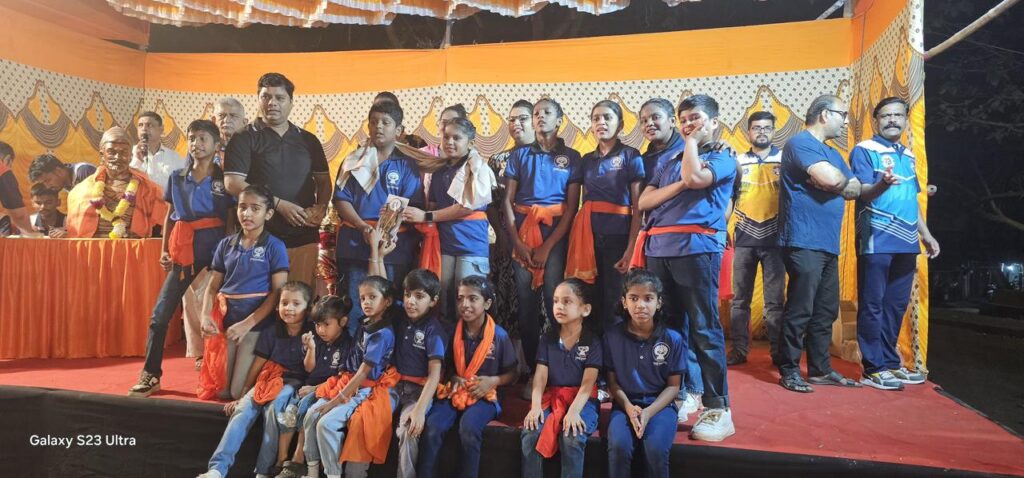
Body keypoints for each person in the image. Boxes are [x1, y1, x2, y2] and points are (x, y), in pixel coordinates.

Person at [635, 94, 736, 441]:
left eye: (696, 118)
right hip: (659, 248)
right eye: (685, 120)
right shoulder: (668, 161)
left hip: (697, 248)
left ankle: (718, 407)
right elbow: (645, 201)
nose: (688, 124)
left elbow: (695, 178)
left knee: (705, 329)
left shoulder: (722, 156)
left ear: (714, 122)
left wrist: (690, 143)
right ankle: (679, 395)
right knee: (670, 329)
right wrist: (679, 181)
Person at [129, 120, 233, 397]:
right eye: (192, 138)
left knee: (222, 312)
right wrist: (165, 249)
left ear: (216, 145)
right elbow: (170, 215)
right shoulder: (177, 177)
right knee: (160, 315)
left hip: (218, 247)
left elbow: (231, 219)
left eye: (203, 138)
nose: (196, 144)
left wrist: (230, 254)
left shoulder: (225, 179)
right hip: (184, 247)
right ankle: (151, 374)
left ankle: (224, 373)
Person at [776, 94, 863, 393]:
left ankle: (820, 369)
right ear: (825, 115)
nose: (845, 122)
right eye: (842, 115)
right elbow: (833, 180)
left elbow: (853, 188)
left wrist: (835, 181)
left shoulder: (832, 153)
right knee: (800, 308)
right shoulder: (800, 143)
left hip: (827, 243)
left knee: (825, 310)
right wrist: (834, 181)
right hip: (802, 238)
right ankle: (789, 369)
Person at [852, 96, 939, 390]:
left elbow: (911, 199)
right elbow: (862, 192)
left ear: (904, 120)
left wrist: (926, 234)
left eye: (898, 115)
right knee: (872, 304)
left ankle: (890, 362)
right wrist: (882, 184)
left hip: (907, 240)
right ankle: (872, 368)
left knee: (895, 306)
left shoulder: (908, 155)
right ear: (876, 120)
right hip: (876, 237)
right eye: (886, 115)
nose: (892, 120)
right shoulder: (865, 150)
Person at [196, 281, 314, 478]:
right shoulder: (271, 331)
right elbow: (258, 365)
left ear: (308, 308)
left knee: (273, 409)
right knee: (243, 410)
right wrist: (243, 395)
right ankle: (217, 469)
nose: (289, 308)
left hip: (293, 383)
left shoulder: (312, 332)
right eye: (284, 303)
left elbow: (311, 369)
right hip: (268, 379)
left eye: (296, 304)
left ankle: (263, 470)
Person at [502, 98, 582, 387]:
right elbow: (508, 201)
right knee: (526, 304)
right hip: (523, 233)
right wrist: (518, 243)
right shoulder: (519, 155)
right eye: (536, 113)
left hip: (556, 235)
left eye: (547, 113)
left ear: (559, 120)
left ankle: (560, 367)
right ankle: (534, 369)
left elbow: (571, 208)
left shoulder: (572, 156)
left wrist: (548, 247)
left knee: (555, 301)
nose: (540, 117)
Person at [225, 73, 331, 289]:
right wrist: (278, 204)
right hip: (261, 236)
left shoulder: (308, 140)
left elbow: (324, 181)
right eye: (266, 97)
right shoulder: (244, 137)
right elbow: (233, 183)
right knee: (260, 299)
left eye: (279, 98)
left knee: (300, 300)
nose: (272, 103)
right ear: (258, 100)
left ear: (291, 102)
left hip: (303, 236)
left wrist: (321, 207)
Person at [334, 100, 424, 334]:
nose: (379, 127)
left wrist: (385, 232)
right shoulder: (353, 160)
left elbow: (412, 204)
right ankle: (354, 353)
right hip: (354, 243)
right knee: (355, 307)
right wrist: (363, 227)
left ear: (399, 130)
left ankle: (386, 355)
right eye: (373, 122)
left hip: (393, 248)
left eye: (386, 122)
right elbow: (341, 200)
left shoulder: (407, 165)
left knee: (389, 306)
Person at [418, 276, 518, 478]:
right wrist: (454, 377)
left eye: (473, 299)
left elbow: (513, 373)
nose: (465, 304)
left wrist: (493, 381)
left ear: (487, 303)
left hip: (485, 395)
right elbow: (444, 368)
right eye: (460, 298)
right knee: (434, 426)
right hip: (455, 391)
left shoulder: (499, 336)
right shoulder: (450, 332)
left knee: (469, 428)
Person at [197, 184, 290, 401]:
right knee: (221, 391)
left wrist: (247, 324)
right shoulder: (225, 245)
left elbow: (278, 293)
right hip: (227, 324)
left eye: (255, 209)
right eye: (242, 207)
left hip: (256, 326)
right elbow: (212, 287)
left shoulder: (275, 246)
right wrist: (205, 316)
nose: (247, 214)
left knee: (238, 392)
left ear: (268, 214)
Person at [306, 275, 398, 478]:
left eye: (372, 297)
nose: (366, 302)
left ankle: (333, 474)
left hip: (364, 387)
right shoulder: (364, 323)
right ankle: (312, 472)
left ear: (387, 301)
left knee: (326, 424)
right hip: (348, 381)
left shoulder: (381, 334)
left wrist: (336, 400)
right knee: (311, 415)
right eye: (363, 298)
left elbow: (364, 372)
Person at [565, 100, 644, 335]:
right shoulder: (586, 160)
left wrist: (630, 249)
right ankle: (592, 354)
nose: (601, 122)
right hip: (587, 238)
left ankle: (615, 355)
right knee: (589, 299)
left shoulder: (630, 155)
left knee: (614, 301)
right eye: (596, 118)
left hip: (619, 238)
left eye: (607, 117)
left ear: (620, 125)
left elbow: (638, 208)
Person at [404, 117, 495, 318]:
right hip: (444, 243)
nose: (450, 142)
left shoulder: (478, 168)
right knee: (443, 300)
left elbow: (466, 207)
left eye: (457, 138)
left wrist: (426, 216)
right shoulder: (439, 170)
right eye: (446, 137)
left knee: (468, 301)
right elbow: (433, 204)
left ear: (470, 142)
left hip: (471, 243)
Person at [603, 270, 684, 478]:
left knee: (655, 449)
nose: (640, 305)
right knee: (619, 447)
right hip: (624, 405)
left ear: (659, 302)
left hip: (661, 407)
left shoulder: (672, 338)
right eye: (633, 298)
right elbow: (612, 383)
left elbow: (674, 386)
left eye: (648, 298)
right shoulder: (611, 336)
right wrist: (629, 407)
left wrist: (648, 412)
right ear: (624, 302)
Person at [521, 279, 601, 478]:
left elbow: (588, 383)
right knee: (530, 432)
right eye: (556, 301)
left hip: (583, 401)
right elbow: (540, 377)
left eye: (567, 301)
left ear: (585, 309)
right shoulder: (547, 338)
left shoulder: (592, 341)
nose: (559, 306)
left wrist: (573, 412)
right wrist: (535, 407)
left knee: (572, 436)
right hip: (553, 397)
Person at [727, 111, 785, 366]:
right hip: (744, 238)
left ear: (774, 131)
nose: (761, 132)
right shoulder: (737, 162)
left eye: (766, 128)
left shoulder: (785, 159)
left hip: (776, 239)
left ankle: (778, 352)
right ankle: (739, 350)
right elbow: (729, 196)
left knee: (775, 302)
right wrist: (723, 226)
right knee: (740, 300)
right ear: (748, 132)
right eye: (756, 128)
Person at [274, 295, 353, 478]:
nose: (321, 330)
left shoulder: (347, 344)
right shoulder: (316, 340)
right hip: (309, 385)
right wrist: (311, 348)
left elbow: (341, 378)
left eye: (326, 324)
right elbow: (309, 368)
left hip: (328, 390)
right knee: (287, 408)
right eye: (317, 325)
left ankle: (298, 460)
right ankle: (281, 461)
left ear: (342, 322)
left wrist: (315, 389)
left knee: (306, 407)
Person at [392, 269, 448, 478]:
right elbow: (380, 288)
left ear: (433, 301)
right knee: (366, 414)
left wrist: (419, 410)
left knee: (409, 430)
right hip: (393, 387)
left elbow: (435, 375)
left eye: (419, 296)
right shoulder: (399, 316)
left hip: (418, 392)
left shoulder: (434, 330)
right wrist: (377, 256)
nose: (411, 301)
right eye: (407, 294)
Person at [486, 99, 535, 337]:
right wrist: (502, 235)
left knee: (536, 301)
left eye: (523, 118)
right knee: (506, 300)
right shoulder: (497, 160)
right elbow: (491, 203)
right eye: (512, 119)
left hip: (538, 239)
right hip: (507, 239)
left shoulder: (546, 157)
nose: (516, 123)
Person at [66, 127, 167, 239]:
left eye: (124, 152)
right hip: (95, 248)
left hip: (133, 248)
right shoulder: (80, 191)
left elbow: (160, 231)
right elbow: (75, 230)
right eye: (111, 152)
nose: (118, 157)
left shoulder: (150, 190)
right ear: (102, 155)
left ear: (130, 156)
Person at [131, 111, 186, 195]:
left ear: (161, 129)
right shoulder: (129, 153)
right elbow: (125, 181)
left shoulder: (175, 157)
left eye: (149, 125)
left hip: (165, 202)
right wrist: (137, 160)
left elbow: (183, 186)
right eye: (140, 125)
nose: (144, 129)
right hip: (137, 201)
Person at [0, 141, 43, 237]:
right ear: (7, 159)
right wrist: (31, 234)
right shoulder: (3, 171)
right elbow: (19, 216)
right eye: (11, 164)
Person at [637, 99, 684, 187]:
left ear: (672, 121)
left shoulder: (690, 149)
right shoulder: (642, 160)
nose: (649, 124)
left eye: (655, 117)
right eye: (644, 121)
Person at [27, 152, 96, 192]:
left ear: (58, 171)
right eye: (43, 183)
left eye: (48, 180)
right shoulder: (65, 184)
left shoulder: (84, 172)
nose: (47, 187)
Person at [212, 97, 248, 162]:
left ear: (244, 123)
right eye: (221, 115)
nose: (226, 120)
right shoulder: (203, 148)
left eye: (233, 116)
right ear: (213, 121)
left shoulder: (251, 150)